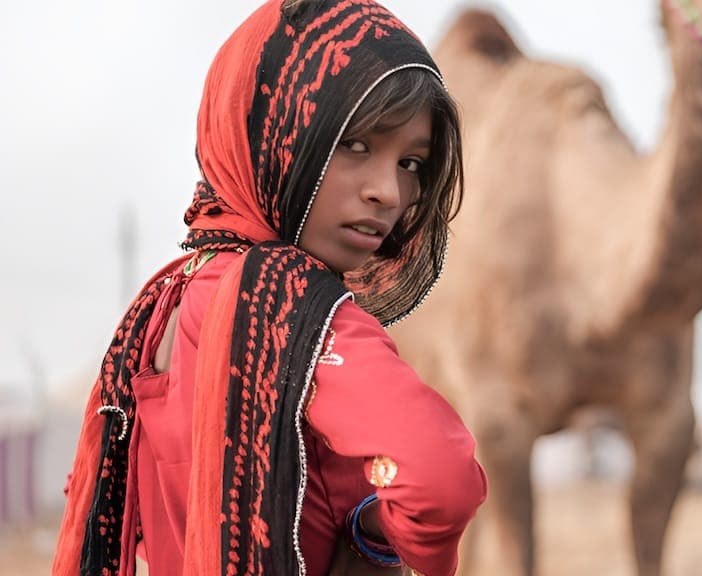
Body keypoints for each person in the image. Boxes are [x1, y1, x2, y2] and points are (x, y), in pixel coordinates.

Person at [51, 1, 487, 575]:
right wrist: (373, 538)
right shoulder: (294, 311)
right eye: (354, 145)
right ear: (270, 134)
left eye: (411, 162)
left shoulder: (167, 302)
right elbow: (440, 477)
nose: (389, 190)